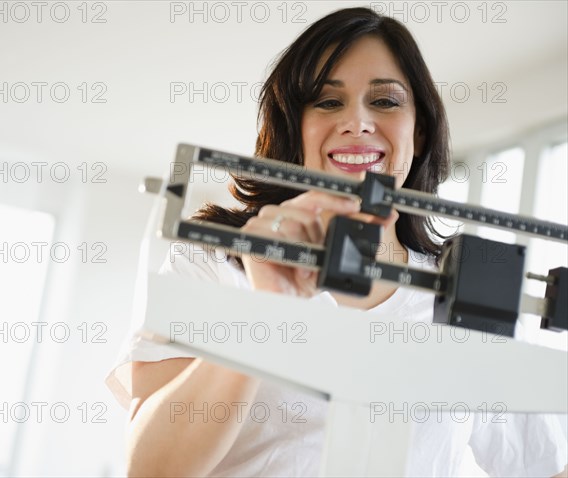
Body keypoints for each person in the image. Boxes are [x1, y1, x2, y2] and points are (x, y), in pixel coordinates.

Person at [106, 7, 568, 477]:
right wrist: (265, 313)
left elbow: (547, 465)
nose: (358, 122)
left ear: (419, 129)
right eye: (328, 102)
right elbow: (151, 469)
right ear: (295, 128)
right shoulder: (215, 266)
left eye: (385, 101)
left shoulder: (477, 291)